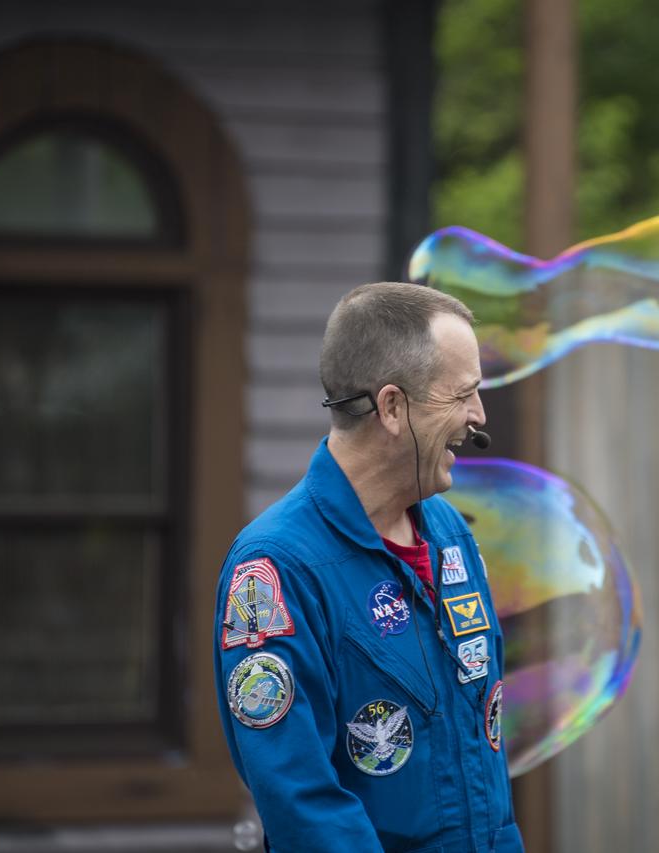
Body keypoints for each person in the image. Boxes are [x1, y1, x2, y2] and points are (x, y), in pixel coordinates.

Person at [213, 282, 523, 853]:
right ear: (391, 407)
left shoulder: (451, 536)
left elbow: (487, 761)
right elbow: (304, 805)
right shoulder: (275, 570)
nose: (478, 416)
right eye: (462, 395)